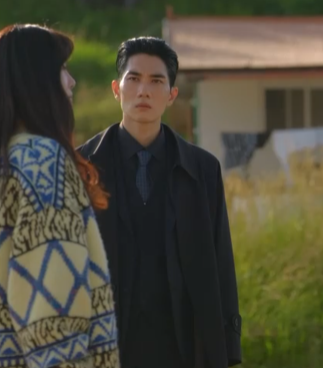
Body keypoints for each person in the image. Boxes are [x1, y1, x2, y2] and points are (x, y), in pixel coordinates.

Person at [0, 24, 120, 368]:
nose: (71, 82)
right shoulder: (44, 162)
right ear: (36, 81)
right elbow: (54, 321)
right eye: (62, 69)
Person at [77, 36, 242, 368]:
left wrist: (228, 348)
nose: (143, 91)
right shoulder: (82, 166)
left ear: (172, 95)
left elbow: (220, 260)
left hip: (182, 344)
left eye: (156, 81)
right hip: (105, 342)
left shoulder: (202, 169)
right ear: (116, 89)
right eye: (134, 79)